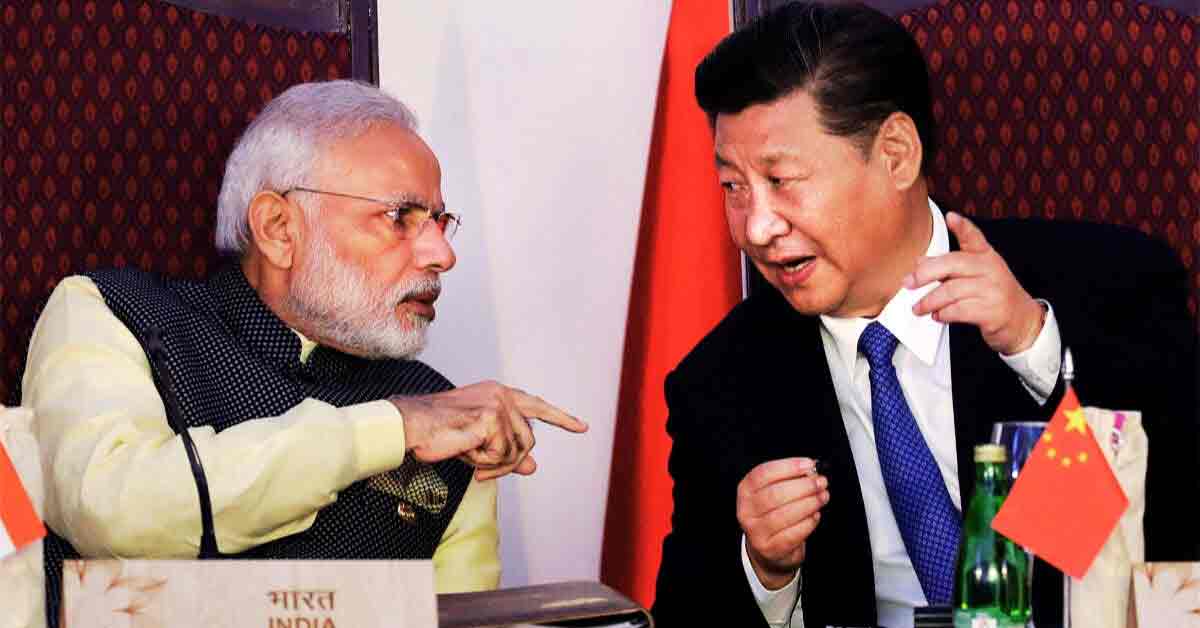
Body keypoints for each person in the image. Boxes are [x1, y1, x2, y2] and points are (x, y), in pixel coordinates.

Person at [650, 3, 1197, 627]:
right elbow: (685, 616)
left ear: (897, 154)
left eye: (782, 179)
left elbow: (1175, 517)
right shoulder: (721, 382)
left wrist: (1035, 351)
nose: (757, 227)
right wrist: (766, 570)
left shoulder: (1105, 286)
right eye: (733, 187)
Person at [21, 79, 588, 626]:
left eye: (440, 222)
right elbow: (116, 510)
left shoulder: (447, 412)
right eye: (401, 218)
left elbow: (459, 620)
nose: (442, 253)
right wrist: (390, 430)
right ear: (277, 228)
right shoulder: (110, 311)